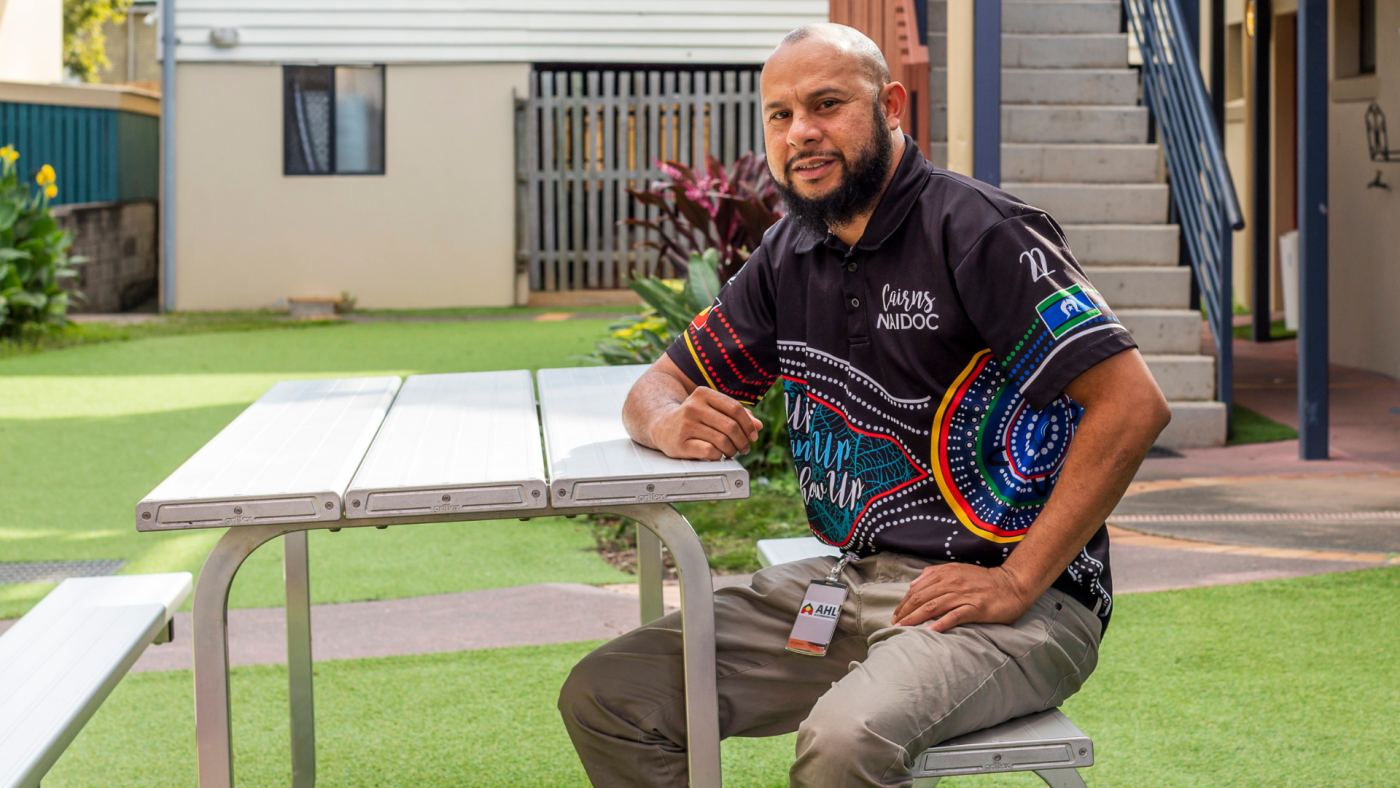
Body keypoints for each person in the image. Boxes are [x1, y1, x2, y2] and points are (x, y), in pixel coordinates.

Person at [558, 23, 1171, 788]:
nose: (802, 133)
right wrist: (666, 419)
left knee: (845, 742)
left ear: (890, 106)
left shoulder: (979, 230)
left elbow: (1132, 404)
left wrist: (1016, 582)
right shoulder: (791, 253)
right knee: (611, 696)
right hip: (849, 584)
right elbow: (656, 386)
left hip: (1011, 600)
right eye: (780, 115)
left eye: (826, 104)